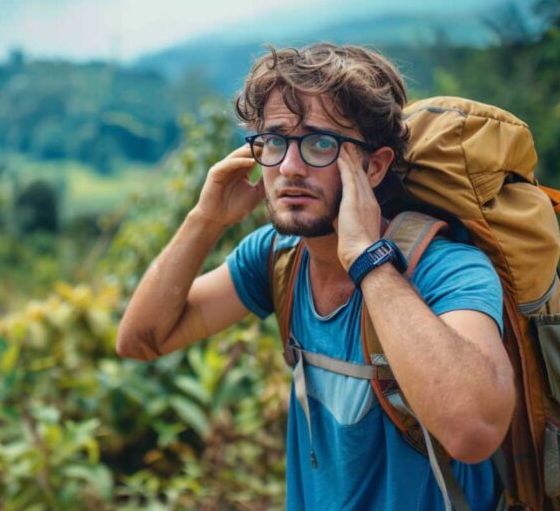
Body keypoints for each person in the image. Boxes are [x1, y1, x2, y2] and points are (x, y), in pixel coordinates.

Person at [116, 43, 515, 510]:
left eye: (320, 143)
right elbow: (141, 340)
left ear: (374, 165)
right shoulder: (278, 258)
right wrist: (206, 218)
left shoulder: (446, 269)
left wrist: (367, 261)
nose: (288, 167)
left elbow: (474, 432)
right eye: (276, 141)